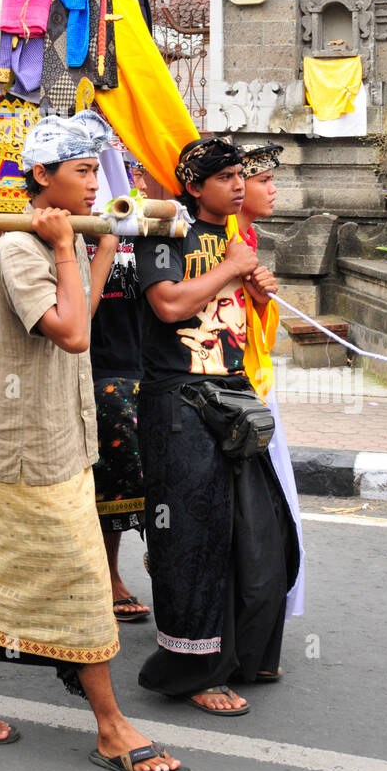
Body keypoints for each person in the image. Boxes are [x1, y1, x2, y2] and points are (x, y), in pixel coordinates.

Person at [0, 110, 189, 771]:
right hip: (31, 447)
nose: (93, 182)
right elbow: (69, 333)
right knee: (81, 579)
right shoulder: (18, 245)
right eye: (80, 172)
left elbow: (86, 311)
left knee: (3, 576)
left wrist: (101, 243)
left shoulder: (59, 237)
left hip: (65, 439)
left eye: (95, 170)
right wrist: (69, 248)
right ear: (42, 177)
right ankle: (110, 726)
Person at [135, 136, 298, 717]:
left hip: (232, 394)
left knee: (257, 530)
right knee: (191, 539)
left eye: (240, 176)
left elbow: (232, 322)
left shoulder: (234, 242)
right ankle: (189, 670)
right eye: (225, 176)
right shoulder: (161, 235)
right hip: (178, 403)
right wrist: (231, 269)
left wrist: (255, 294)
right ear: (196, 187)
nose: (237, 184)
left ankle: (244, 654)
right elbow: (171, 307)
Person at [237, 142, 305, 621]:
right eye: (265, 181)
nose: (272, 190)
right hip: (231, 389)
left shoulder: (249, 236)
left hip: (256, 381)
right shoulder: (221, 240)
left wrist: (262, 302)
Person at [85, 162, 149, 622]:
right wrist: (105, 243)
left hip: (144, 365)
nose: (140, 184)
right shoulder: (72, 229)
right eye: (129, 173)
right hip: (96, 368)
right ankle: (107, 574)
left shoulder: (149, 226)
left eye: (141, 174)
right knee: (112, 476)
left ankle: (162, 552)